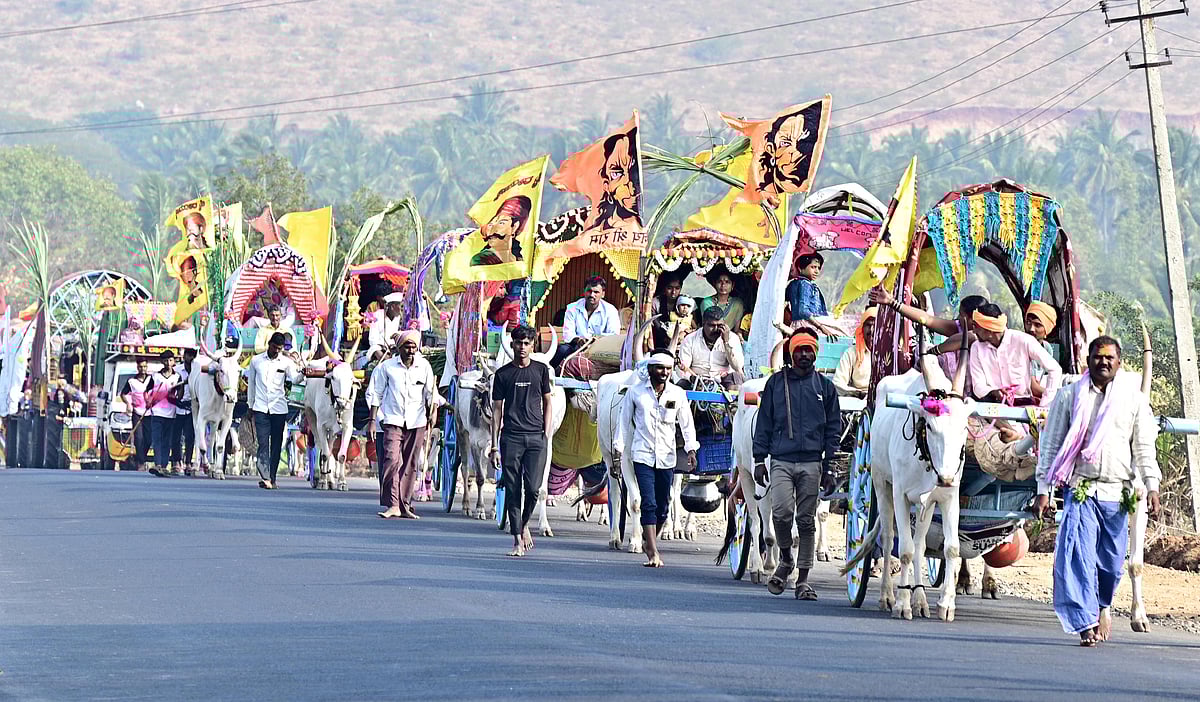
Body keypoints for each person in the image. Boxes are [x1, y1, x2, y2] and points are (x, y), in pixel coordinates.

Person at [1034, 336, 1161, 647]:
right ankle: (1085, 622)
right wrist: (1043, 488)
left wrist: (1153, 485)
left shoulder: (1134, 401)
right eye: (1098, 356)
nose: (1103, 362)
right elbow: (1050, 444)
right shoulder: (1069, 396)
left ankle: (1103, 605)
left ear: (1119, 363)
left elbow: (1144, 447)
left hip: (1119, 495)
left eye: (1110, 358)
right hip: (1082, 490)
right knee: (1079, 557)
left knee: (1111, 564)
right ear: (1087, 360)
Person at [752, 330, 840, 601]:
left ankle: (803, 579)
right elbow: (764, 422)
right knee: (780, 512)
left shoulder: (825, 388)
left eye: (808, 350)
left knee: (806, 520)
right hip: (781, 460)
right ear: (791, 354)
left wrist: (829, 466)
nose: (804, 354)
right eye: (799, 350)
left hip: (812, 462)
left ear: (815, 353)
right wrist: (758, 459)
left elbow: (833, 429)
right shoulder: (776, 384)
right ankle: (786, 557)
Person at [616, 352, 698, 567]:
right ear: (651, 369)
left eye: (668, 369)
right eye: (660, 368)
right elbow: (624, 422)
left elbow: (687, 424)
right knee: (648, 502)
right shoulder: (635, 392)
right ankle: (653, 551)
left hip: (667, 456)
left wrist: (691, 450)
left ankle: (649, 538)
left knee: (664, 504)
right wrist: (619, 447)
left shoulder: (678, 393)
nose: (664, 373)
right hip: (642, 454)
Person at [489, 324, 554, 557]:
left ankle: (524, 523)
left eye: (527, 343)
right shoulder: (503, 374)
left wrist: (546, 434)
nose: (522, 347)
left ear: (533, 345)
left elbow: (548, 402)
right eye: (518, 343)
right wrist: (494, 444)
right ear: (512, 344)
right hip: (511, 437)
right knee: (513, 489)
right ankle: (517, 538)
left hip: (537, 437)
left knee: (534, 489)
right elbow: (497, 410)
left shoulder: (541, 370)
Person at [367, 330, 440, 519]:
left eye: (413, 347)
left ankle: (404, 504)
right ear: (399, 348)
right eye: (406, 347)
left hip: (417, 422)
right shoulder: (387, 368)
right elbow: (377, 394)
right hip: (393, 420)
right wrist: (372, 421)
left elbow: (431, 393)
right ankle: (392, 504)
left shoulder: (424, 367)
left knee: (410, 463)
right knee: (391, 460)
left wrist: (434, 412)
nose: (410, 350)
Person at [968, 303, 1062, 406]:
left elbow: (1055, 369)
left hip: (1023, 404)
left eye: (976, 326)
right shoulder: (976, 348)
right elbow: (978, 386)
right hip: (992, 406)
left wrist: (1045, 403)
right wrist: (994, 391)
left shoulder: (1024, 340)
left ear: (989, 329)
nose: (974, 330)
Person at [246, 332, 304, 490]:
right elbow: (251, 385)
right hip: (260, 408)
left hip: (279, 408)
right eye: (274, 347)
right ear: (269, 344)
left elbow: (295, 378)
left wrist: (303, 374)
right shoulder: (256, 361)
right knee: (263, 443)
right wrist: (250, 405)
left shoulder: (286, 362)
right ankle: (265, 477)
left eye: (279, 349)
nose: (276, 351)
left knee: (277, 444)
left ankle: (272, 477)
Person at [553, 277, 621, 367]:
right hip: (577, 347)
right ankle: (551, 376)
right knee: (562, 350)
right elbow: (567, 334)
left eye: (596, 292)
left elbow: (614, 335)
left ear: (603, 294)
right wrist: (579, 340)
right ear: (584, 292)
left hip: (600, 349)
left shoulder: (611, 310)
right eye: (589, 291)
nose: (592, 295)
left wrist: (596, 339)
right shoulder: (572, 308)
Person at [677, 306, 745, 390]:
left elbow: (738, 367)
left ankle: (733, 403)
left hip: (724, 380)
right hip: (697, 380)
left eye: (719, 325)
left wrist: (726, 342)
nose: (716, 329)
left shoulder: (732, 338)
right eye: (711, 325)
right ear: (703, 323)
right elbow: (681, 368)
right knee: (680, 385)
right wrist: (693, 378)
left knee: (737, 379)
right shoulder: (690, 339)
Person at [147, 351, 182, 477]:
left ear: (174, 362)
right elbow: (147, 391)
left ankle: (164, 465)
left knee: (167, 441)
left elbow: (180, 393)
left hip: (171, 413)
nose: (168, 363)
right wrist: (148, 400)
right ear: (162, 362)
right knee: (157, 439)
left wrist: (175, 396)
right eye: (166, 360)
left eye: (171, 360)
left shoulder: (177, 377)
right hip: (156, 412)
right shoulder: (155, 376)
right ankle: (158, 465)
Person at [471, 196, 531, 266]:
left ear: (514, 227)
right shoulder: (481, 260)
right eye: (490, 224)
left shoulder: (520, 259)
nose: (492, 230)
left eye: (501, 223)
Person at [833, 307, 876, 398]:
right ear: (862, 328)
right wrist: (856, 393)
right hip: (857, 399)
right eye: (868, 325)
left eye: (875, 325)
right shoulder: (852, 353)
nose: (871, 330)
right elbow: (838, 383)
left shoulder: (888, 354)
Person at [121, 359, 153, 471]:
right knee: (139, 437)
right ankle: (141, 462)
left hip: (149, 412)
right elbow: (123, 394)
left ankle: (141, 457)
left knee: (148, 439)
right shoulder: (131, 381)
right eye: (140, 367)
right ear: (137, 367)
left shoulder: (151, 379)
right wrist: (128, 404)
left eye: (144, 366)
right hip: (137, 412)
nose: (142, 369)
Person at [1025, 300, 1059, 404]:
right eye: (1028, 322)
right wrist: (1058, 395)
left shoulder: (1047, 348)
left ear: (1046, 330)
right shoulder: (1022, 346)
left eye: (1037, 325)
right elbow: (1033, 387)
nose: (1031, 329)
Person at [172, 347, 197, 475]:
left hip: (192, 407)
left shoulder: (198, 371)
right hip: (177, 406)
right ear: (184, 356)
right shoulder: (176, 371)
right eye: (188, 355)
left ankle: (188, 462)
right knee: (176, 437)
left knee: (190, 436)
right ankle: (176, 461)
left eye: (193, 356)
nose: (190, 358)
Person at [785, 253, 828, 324]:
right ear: (800, 268)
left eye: (818, 268)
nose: (817, 271)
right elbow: (803, 311)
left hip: (796, 323)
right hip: (809, 323)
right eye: (813, 267)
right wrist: (822, 327)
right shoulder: (806, 284)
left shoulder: (792, 283)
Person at [368, 292, 406, 362]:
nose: (402, 310)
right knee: (375, 349)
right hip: (379, 347)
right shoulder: (376, 315)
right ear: (392, 307)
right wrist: (383, 347)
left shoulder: (401, 319)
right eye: (401, 306)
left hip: (395, 348)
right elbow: (372, 338)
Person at [650, 276, 683, 350]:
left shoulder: (685, 301)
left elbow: (693, 324)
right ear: (664, 288)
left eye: (677, 288)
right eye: (669, 288)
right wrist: (667, 340)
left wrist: (683, 334)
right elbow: (656, 325)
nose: (673, 292)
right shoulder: (655, 302)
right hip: (660, 341)